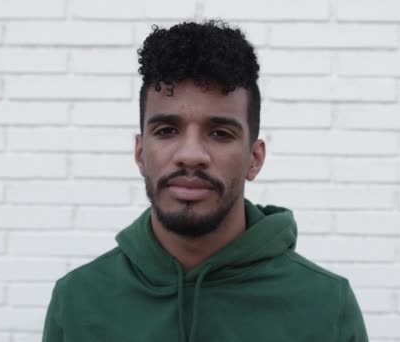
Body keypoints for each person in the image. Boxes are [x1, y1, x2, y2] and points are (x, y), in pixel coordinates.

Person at [42, 21, 368, 342]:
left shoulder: (325, 306)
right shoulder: (78, 301)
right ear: (140, 153)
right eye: (167, 131)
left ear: (254, 159)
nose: (191, 154)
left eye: (220, 133)